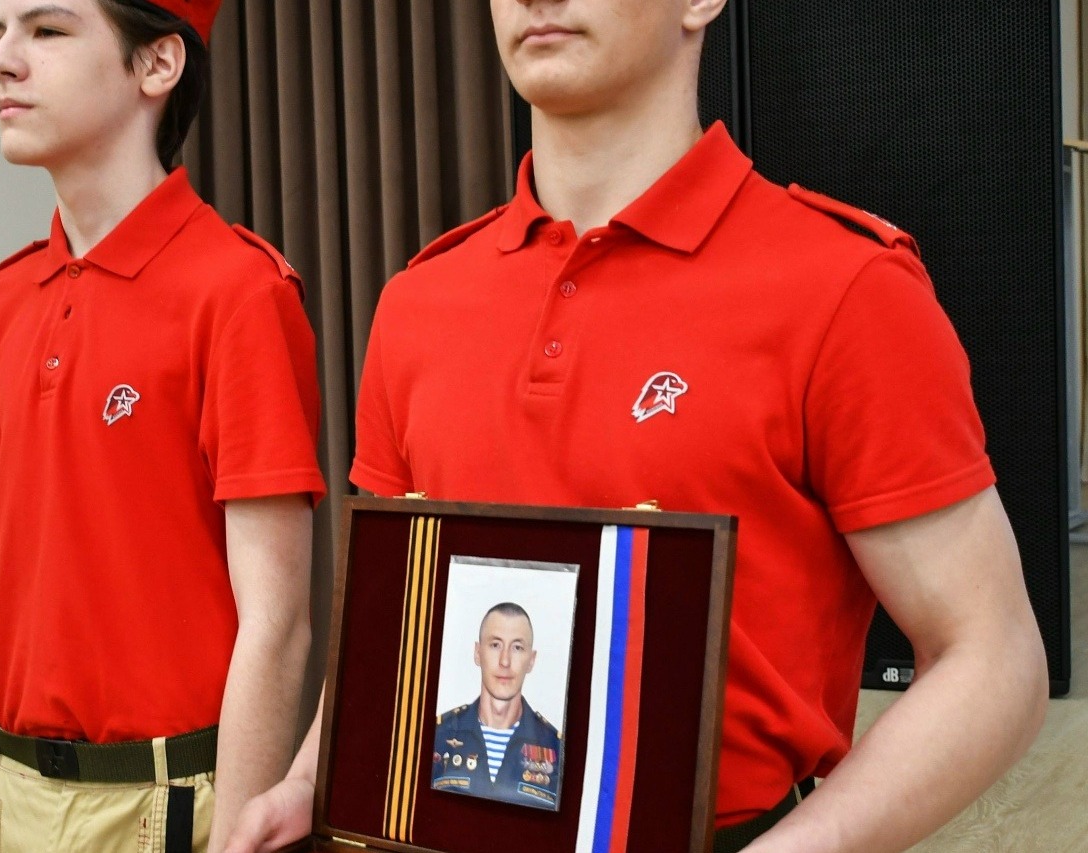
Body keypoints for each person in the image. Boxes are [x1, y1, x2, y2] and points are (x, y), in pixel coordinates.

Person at [228, 1, 1047, 851]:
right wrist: (309, 781)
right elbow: (393, 627)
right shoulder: (418, 304)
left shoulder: (844, 288)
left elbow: (994, 658)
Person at [0, 0, 326, 850]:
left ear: (157, 64)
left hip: (162, 809)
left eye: (46, 30)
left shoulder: (239, 293)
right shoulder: (1, 301)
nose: (1, 60)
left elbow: (277, 621)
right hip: (5, 795)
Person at [432, 602, 563, 810]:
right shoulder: (437, 736)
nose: (505, 661)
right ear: (477, 653)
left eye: (517, 647)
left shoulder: (556, 748)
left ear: (531, 660)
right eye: (495, 645)